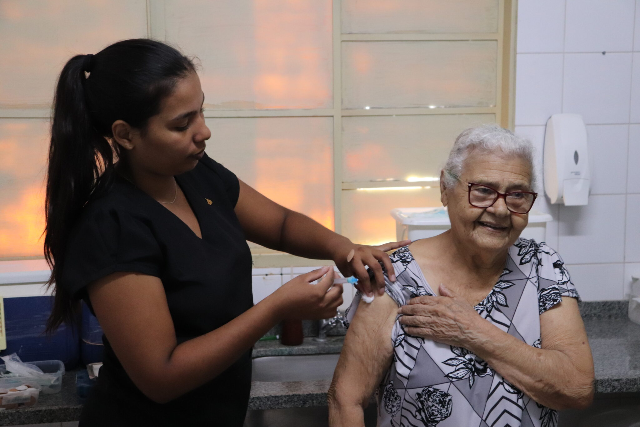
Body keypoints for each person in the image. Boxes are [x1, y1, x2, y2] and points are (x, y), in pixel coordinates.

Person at [43, 38, 407, 426]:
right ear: (125, 135)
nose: (204, 132)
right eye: (182, 124)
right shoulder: (112, 225)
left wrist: (345, 248)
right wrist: (277, 308)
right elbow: (161, 375)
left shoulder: (196, 175)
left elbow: (281, 225)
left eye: (200, 111)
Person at [328, 125, 594, 427]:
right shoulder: (394, 274)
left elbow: (577, 388)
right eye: (482, 191)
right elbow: (345, 400)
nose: (501, 209)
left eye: (517, 194)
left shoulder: (543, 266)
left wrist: (474, 332)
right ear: (445, 188)